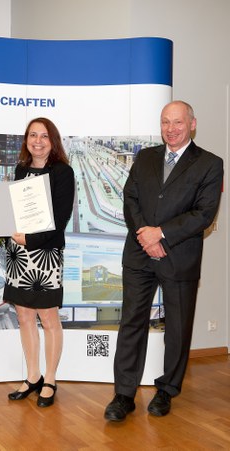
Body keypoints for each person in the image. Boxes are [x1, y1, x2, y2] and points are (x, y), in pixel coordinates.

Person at [104, 100, 224, 422]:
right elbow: (130, 198)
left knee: (177, 330)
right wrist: (146, 235)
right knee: (131, 323)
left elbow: (203, 214)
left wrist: (161, 235)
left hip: (179, 257)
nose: (171, 129)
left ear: (192, 124)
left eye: (178, 123)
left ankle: (166, 390)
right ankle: (123, 395)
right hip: (140, 255)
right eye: (165, 123)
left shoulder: (210, 164)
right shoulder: (145, 157)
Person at [4, 117, 75, 408]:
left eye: (44, 136)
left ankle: (50, 378)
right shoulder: (20, 170)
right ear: (26, 140)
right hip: (18, 256)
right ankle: (32, 376)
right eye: (32, 135)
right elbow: (11, 209)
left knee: (48, 318)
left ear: (52, 141)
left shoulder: (62, 172)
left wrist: (30, 241)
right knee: (23, 316)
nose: (37, 141)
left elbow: (60, 219)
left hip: (44, 254)